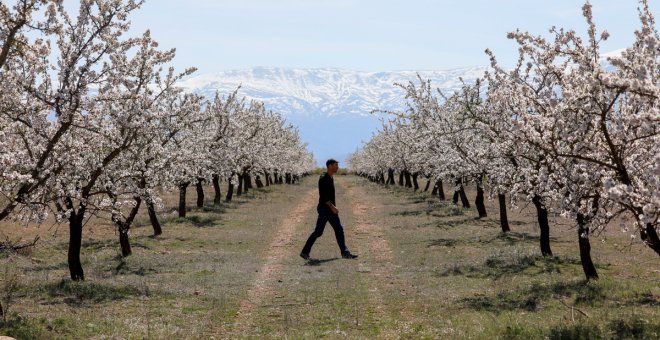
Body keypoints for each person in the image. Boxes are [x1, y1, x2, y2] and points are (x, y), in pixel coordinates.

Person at [300, 159, 358, 261]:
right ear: (330, 166)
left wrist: (333, 208)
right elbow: (323, 196)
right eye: (336, 165)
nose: (337, 167)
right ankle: (304, 252)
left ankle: (345, 253)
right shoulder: (323, 177)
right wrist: (333, 207)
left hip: (331, 210)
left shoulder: (331, 177)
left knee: (339, 229)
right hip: (325, 209)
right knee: (318, 232)